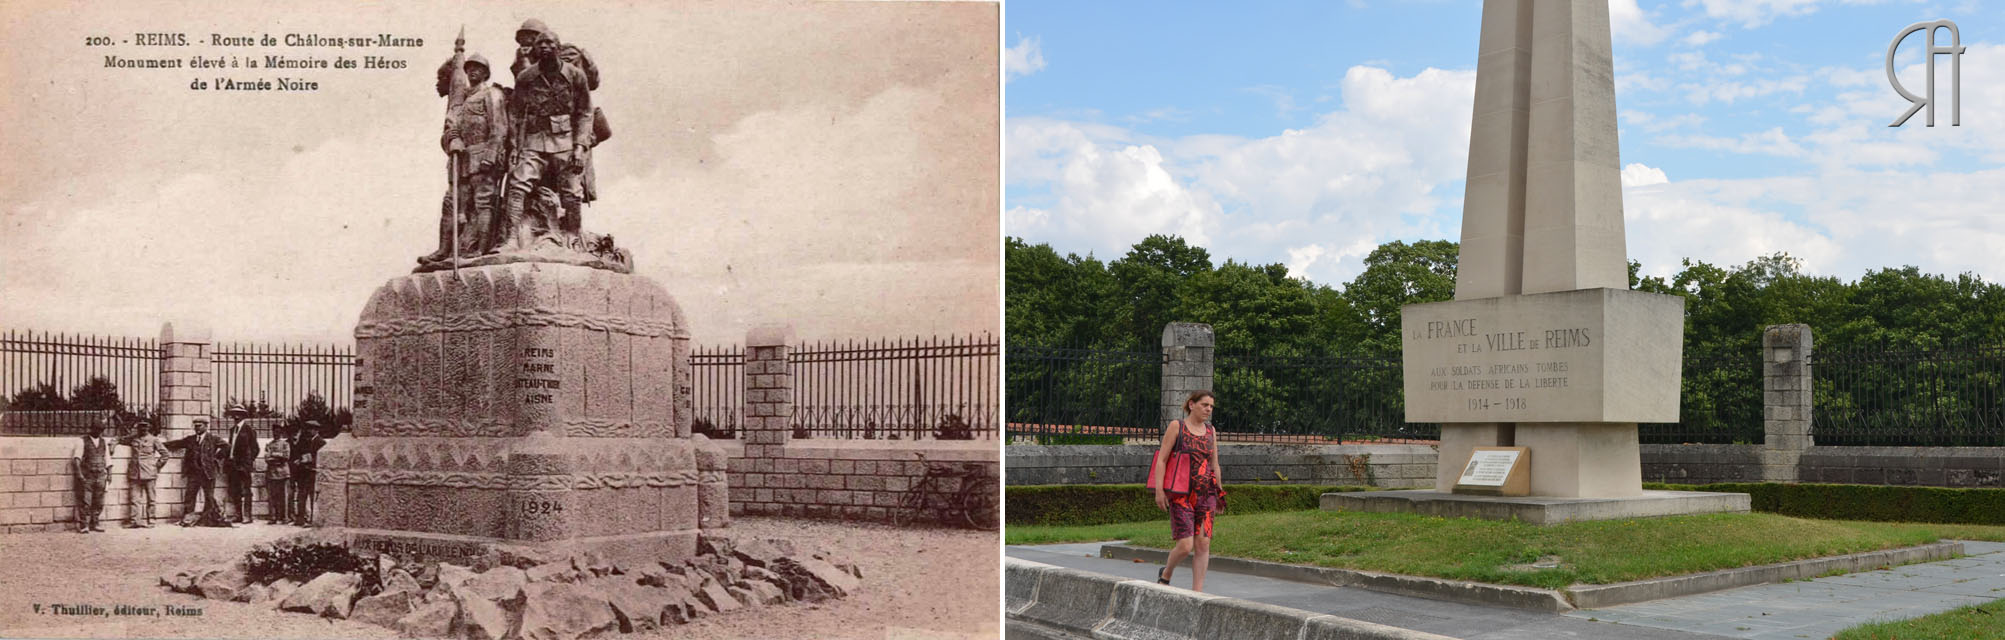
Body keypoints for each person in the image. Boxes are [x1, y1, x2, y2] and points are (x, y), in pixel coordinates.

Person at [503, 27, 593, 248]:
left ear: (558, 48)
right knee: (518, 184)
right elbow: (515, 113)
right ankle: (511, 238)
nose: (544, 47)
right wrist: (515, 147)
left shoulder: (575, 75)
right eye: (540, 44)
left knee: (572, 190)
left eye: (550, 43)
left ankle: (573, 234)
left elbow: (585, 113)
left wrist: (580, 148)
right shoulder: (526, 77)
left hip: (565, 140)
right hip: (534, 139)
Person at [426, 53, 511, 261]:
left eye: (478, 68)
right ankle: (444, 250)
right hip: (461, 159)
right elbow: (451, 130)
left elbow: (499, 128)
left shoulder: (492, 94)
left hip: (483, 158)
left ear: (485, 73)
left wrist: (491, 156)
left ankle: (481, 250)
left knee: (483, 202)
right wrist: (452, 139)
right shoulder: (461, 102)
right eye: (470, 68)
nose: (473, 71)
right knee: (451, 204)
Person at [1151, 390, 1225, 592]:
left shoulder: (1211, 431)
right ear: (1191, 405)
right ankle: (1166, 573)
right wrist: (1159, 490)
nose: (1208, 409)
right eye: (1205, 405)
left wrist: (1219, 492)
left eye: (1211, 406)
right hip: (1181, 494)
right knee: (1185, 545)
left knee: (1203, 544)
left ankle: (1197, 592)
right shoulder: (1178, 426)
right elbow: (1162, 460)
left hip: (1206, 495)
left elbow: (1214, 464)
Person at [164, 417, 230, 526]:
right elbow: (177, 443)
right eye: (195, 426)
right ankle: (187, 519)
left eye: (199, 426)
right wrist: (158, 444)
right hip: (193, 473)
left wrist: (216, 458)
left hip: (208, 472)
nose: (197, 428)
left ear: (206, 426)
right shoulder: (190, 439)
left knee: (209, 496)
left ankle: (207, 519)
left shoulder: (213, 438)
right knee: (190, 496)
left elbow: (227, 447)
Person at [120, 420, 169, 528]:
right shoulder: (133, 438)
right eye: (140, 427)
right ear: (138, 428)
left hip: (149, 473)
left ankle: (151, 520)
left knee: (151, 499)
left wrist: (156, 466)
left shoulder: (154, 440)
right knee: (134, 499)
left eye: (145, 427)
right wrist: (113, 445)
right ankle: (134, 521)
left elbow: (165, 454)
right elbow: (119, 439)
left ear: (148, 428)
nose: (142, 429)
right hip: (135, 473)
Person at [70, 421, 114, 533]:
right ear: (91, 429)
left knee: (99, 502)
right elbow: (76, 459)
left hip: (100, 476)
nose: (98, 432)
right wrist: (79, 474)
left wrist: (109, 474)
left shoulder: (104, 442)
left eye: (101, 430)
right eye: (96, 429)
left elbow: (107, 459)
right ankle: (83, 525)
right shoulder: (82, 441)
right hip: (87, 476)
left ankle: (95, 523)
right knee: (86, 501)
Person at [225, 404, 262, 524]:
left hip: (243, 466)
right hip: (232, 465)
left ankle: (247, 516)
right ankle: (238, 515)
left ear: (242, 415)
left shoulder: (249, 430)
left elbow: (255, 448)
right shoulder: (232, 430)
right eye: (233, 414)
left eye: (238, 414)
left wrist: (247, 463)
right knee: (235, 491)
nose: (235, 416)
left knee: (246, 491)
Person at [290, 421, 325, 526]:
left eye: (312, 429)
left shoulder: (321, 442)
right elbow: (299, 453)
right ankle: (300, 519)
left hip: (313, 473)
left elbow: (321, 458)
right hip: (303, 473)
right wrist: (300, 460)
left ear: (316, 430)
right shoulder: (305, 441)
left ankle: (312, 520)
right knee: (301, 496)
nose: (309, 431)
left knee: (312, 497)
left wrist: (309, 460)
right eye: (309, 429)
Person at [263, 423, 292, 525]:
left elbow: (286, 457)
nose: (276, 433)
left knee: (284, 496)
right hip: (271, 473)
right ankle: (273, 517)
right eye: (275, 432)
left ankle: (285, 517)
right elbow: (267, 458)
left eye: (278, 432)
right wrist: (278, 457)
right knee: (272, 496)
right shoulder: (269, 445)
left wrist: (274, 455)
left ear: (281, 433)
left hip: (283, 473)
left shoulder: (285, 444)